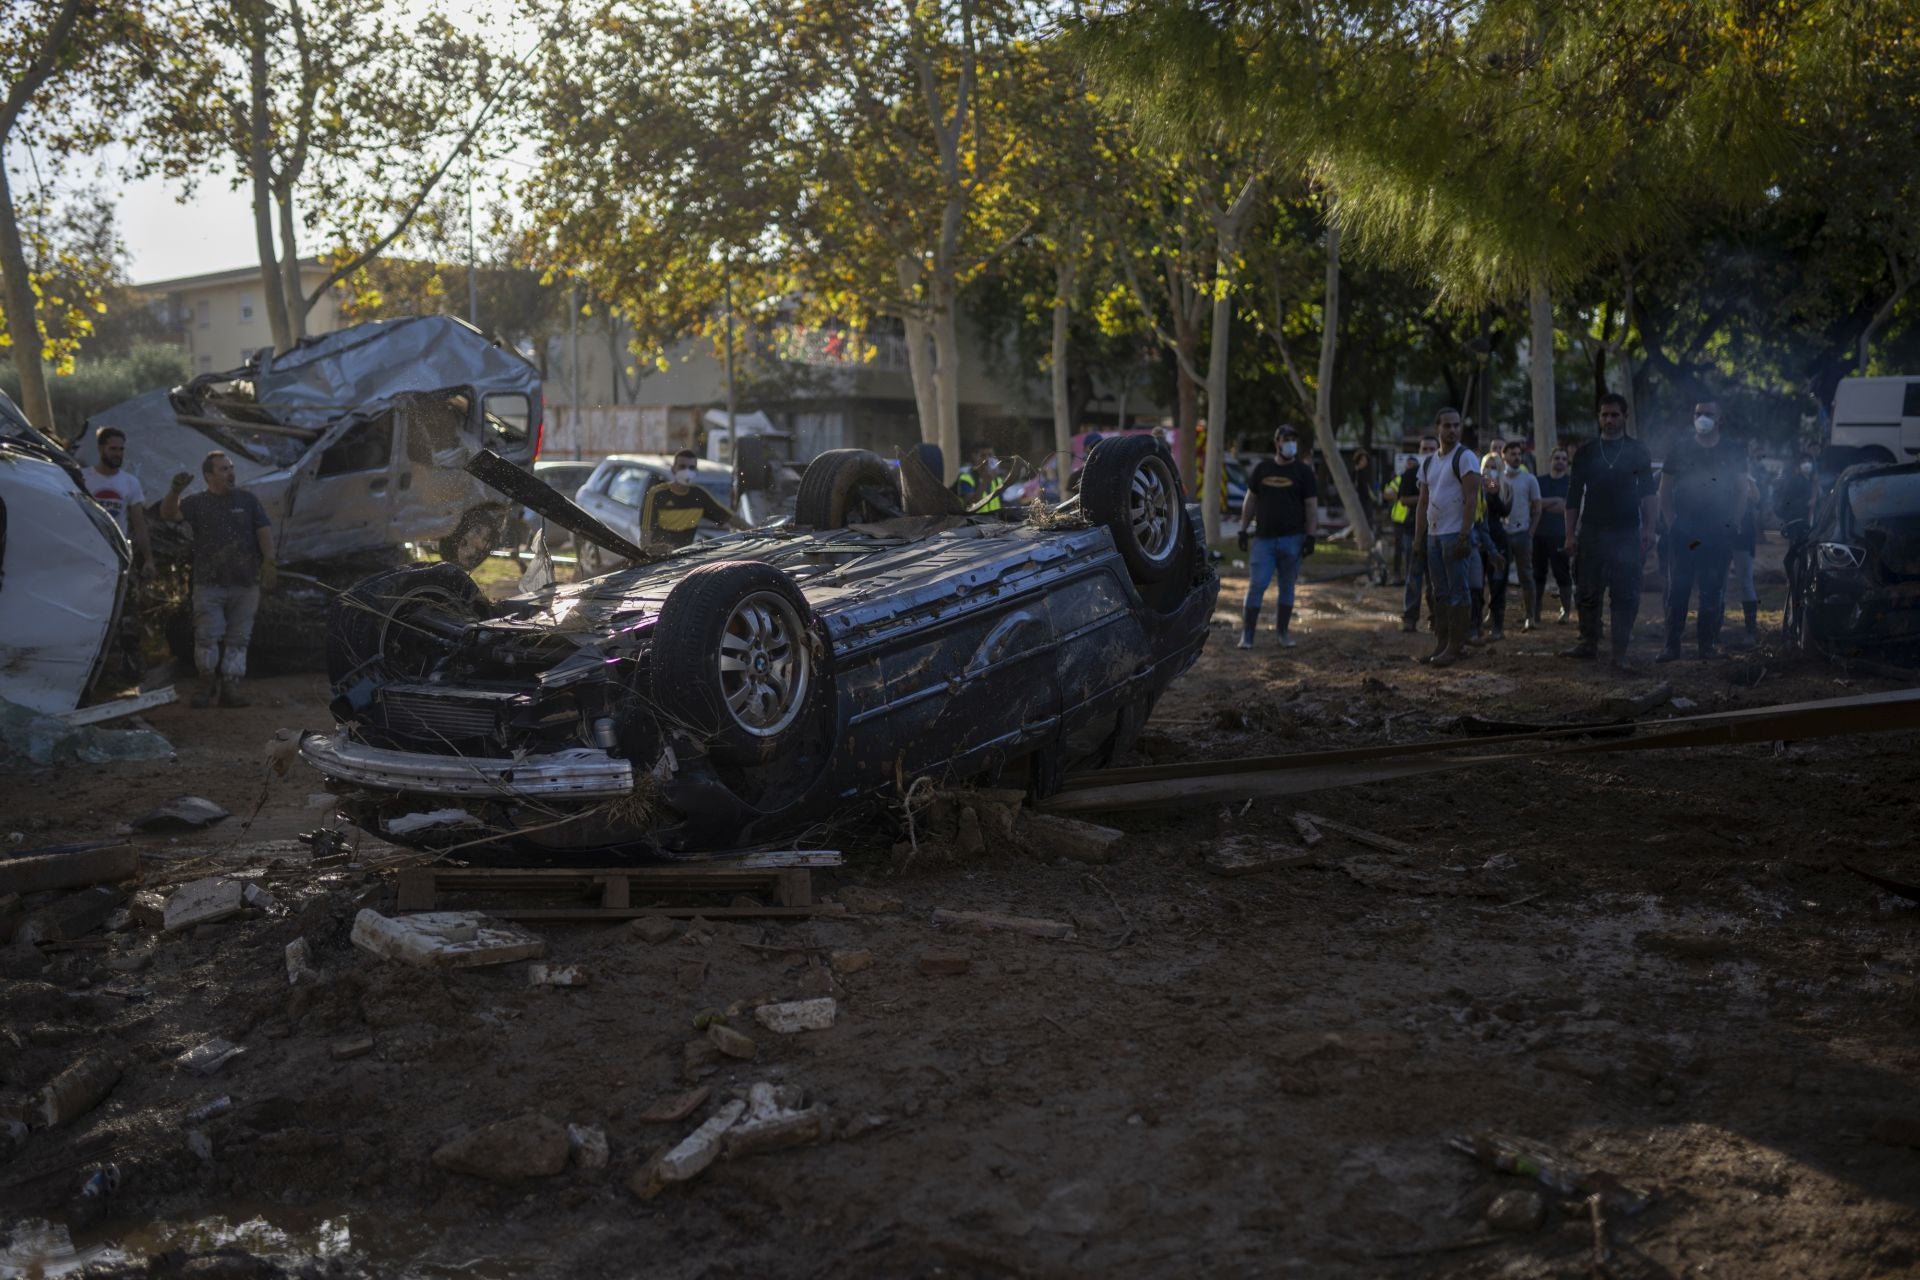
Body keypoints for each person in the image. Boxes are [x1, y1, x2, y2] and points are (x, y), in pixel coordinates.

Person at [160, 450, 275, 708]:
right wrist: (174, 492)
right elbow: (169, 515)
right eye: (223, 469)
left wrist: (270, 561)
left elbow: (263, 530)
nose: (230, 473)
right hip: (209, 582)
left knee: (239, 638)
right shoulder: (197, 502)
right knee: (207, 636)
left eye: (231, 468)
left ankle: (231, 689)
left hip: (245, 582)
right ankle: (205, 684)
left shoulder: (247, 500)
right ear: (208, 476)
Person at [1563, 394, 1658, 670]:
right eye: (1604, 415)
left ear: (1625, 417)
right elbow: (1572, 495)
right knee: (1587, 591)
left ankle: (1620, 653)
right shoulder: (1586, 452)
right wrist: (1570, 534)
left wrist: (1650, 529)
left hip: (1626, 531)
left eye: (1614, 415)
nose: (1609, 420)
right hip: (1592, 530)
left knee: (1625, 594)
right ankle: (1587, 643)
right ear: (1598, 417)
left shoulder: (1638, 451)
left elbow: (1649, 492)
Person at [1656, 399, 1755, 662]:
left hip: (1718, 533)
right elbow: (1664, 488)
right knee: (1678, 590)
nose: (1702, 418)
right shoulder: (1680, 448)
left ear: (1719, 418)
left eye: (1708, 414)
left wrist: (1733, 522)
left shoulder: (1733, 450)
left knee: (1712, 592)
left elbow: (1742, 489)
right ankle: (1671, 646)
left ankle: (1706, 647)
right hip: (1684, 532)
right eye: (1698, 413)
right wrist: (1671, 522)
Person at [1235, 425, 1319, 650]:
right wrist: (1243, 529)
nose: (1290, 443)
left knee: (1287, 587)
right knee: (1257, 585)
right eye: (1286, 439)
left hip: (1293, 539)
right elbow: (1250, 500)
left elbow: (1311, 506)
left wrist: (1311, 536)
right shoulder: (1263, 469)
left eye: (1293, 438)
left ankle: (1283, 633)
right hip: (1263, 540)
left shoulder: (1303, 473)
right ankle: (1247, 636)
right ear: (1277, 442)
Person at [1410, 407, 1481, 667]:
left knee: (1458, 592)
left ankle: (1456, 646)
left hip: (1454, 535)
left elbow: (1472, 498)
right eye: (1447, 426)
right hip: (1434, 535)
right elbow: (1422, 502)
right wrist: (1419, 538)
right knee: (1438, 592)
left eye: (1456, 425)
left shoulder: (1466, 457)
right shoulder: (1428, 462)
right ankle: (1442, 642)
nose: (1452, 430)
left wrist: (1465, 534)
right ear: (1437, 428)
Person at [640, 449, 747, 550]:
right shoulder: (657, 493)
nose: (687, 471)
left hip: (685, 558)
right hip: (660, 558)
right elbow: (646, 532)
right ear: (673, 469)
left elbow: (729, 518)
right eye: (682, 467)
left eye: (691, 468)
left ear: (696, 471)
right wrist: (649, 552)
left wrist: (755, 530)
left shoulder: (699, 495)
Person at [83, 426, 155, 571]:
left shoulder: (130, 482)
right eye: (113, 449)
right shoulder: (83, 478)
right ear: (101, 448)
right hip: (86, 550)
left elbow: (139, 524)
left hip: (115, 553)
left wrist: (148, 559)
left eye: (121, 449)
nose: (118, 454)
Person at [1498, 439, 1542, 630]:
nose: (1516, 457)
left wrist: (1530, 532)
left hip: (1522, 533)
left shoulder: (1529, 479)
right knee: (1498, 575)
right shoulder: (1496, 478)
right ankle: (1494, 614)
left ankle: (1530, 616)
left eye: (1519, 454)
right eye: (1512, 454)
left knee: (1526, 575)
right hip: (1501, 534)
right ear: (1504, 456)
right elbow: (1488, 500)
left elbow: (1537, 507)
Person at [1533, 445, 1575, 623]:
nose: (1560, 462)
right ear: (1551, 460)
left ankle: (1566, 612)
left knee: (1562, 574)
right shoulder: (1539, 481)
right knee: (1537, 575)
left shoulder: (1570, 482)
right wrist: (1555, 501)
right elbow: (1533, 504)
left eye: (1564, 459)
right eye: (1557, 458)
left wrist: (1544, 504)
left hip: (1560, 535)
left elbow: (1567, 508)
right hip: (1538, 534)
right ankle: (1535, 613)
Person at [1389, 447, 1424, 595]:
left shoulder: (1473, 473)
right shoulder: (1407, 476)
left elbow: (1488, 485)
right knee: (1411, 564)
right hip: (1406, 523)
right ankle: (1411, 613)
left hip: (1453, 529)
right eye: (1425, 449)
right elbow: (1392, 495)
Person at [954, 447, 1005, 512]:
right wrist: (985, 481)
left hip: (994, 521)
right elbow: (970, 505)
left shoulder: (997, 480)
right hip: (975, 521)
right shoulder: (966, 478)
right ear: (975, 457)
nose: (987, 459)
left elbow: (1001, 504)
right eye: (983, 455)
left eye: (990, 455)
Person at [1774, 453, 1815, 529]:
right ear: (1798, 465)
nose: (1807, 464)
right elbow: (1787, 502)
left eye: (1809, 461)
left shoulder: (1811, 481)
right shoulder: (1796, 480)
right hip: (1795, 520)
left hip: (1805, 519)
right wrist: (1806, 503)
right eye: (1803, 462)